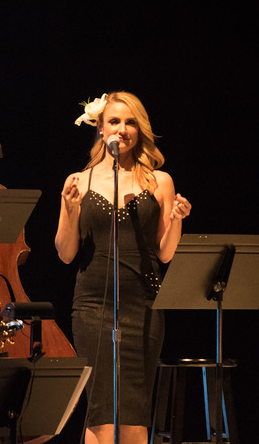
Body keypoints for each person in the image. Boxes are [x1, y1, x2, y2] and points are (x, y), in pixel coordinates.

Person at [55, 92, 191, 444]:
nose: (122, 129)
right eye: (114, 121)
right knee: (101, 411)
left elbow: (164, 254)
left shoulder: (159, 181)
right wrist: (70, 211)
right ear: (100, 127)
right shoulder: (78, 181)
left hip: (142, 305)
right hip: (92, 307)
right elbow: (66, 254)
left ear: (139, 129)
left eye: (130, 122)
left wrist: (176, 219)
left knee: (132, 412)